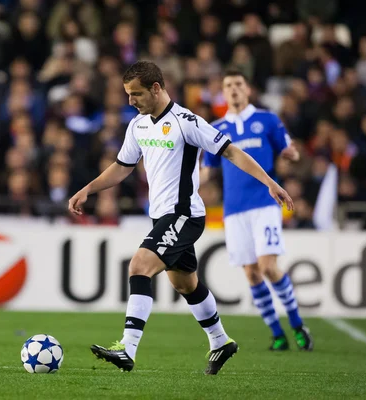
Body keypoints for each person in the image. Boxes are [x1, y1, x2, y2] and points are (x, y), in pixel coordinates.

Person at [68, 61, 294, 375]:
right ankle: (221, 341)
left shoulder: (186, 121)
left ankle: (127, 348)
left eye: (136, 94)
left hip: (184, 214)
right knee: (186, 284)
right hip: (160, 216)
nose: (131, 101)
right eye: (128, 95)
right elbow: (123, 166)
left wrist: (270, 183)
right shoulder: (139, 125)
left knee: (139, 266)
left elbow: (231, 151)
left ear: (156, 88)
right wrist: (88, 189)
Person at [202, 69, 314, 351]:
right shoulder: (216, 129)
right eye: (228, 86)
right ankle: (277, 333)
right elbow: (207, 171)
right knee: (251, 274)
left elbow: (290, 149)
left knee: (268, 266)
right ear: (223, 92)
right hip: (234, 210)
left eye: (238, 84)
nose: (234, 89)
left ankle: (298, 324)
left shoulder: (267, 120)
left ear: (248, 89)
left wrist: (292, 154)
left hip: (265, 204)